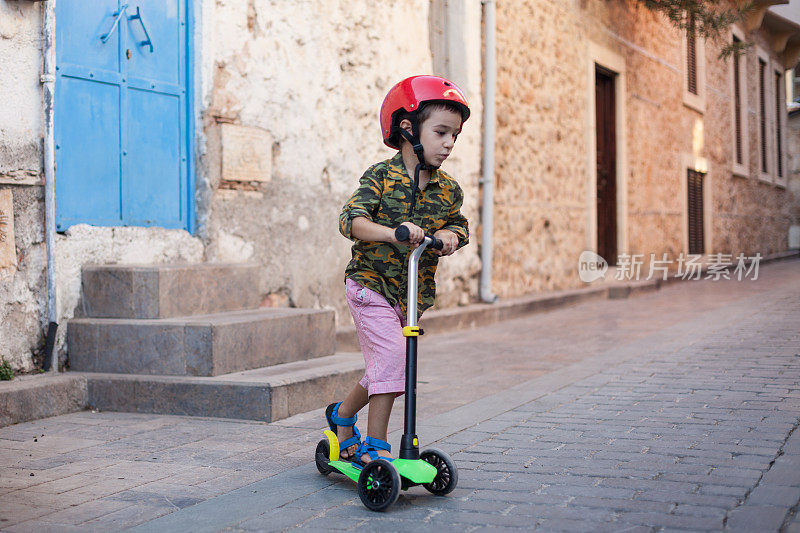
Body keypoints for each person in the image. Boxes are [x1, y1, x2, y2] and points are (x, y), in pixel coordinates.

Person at [326, 75, 470, 466]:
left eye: (454, 135)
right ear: (408, 129)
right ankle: (376, 446)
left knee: (389, 365)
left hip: (411, 295)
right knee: (392, 359)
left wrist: (450, 235)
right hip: (370, 284)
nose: (449, 143)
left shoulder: (447, 189)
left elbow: (460, 224)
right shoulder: (380, 177)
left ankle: (342, 414)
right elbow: (350, 220)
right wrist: (393, 233)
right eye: (441, 132)